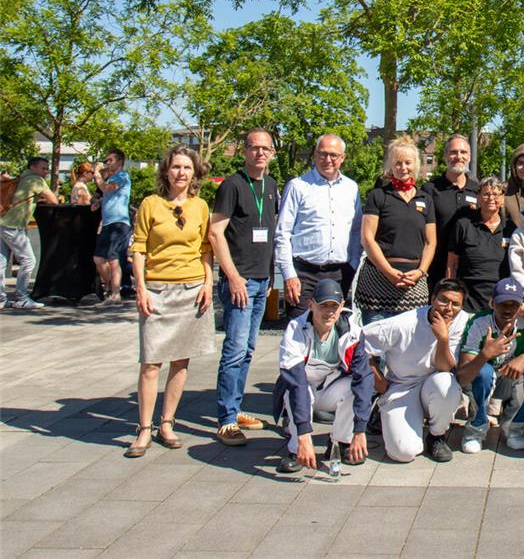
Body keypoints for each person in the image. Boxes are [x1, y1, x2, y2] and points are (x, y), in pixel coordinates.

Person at [125, 146, 213, 458]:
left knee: (181, 360)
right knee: (151, 362)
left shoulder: (200, 206)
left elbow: (205, 247)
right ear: (166, 170)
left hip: (191, 289)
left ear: (195, 173)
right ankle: (144, 428)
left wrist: (208, 282)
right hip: (157, 289)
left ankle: (167, 423)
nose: (181, 173)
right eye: (176, 167)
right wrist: (141, 287)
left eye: (187, 168)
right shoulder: (151, 204)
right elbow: (138, 248)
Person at [209, 128, 279, 446]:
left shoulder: (271, 185)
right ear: (245, 152)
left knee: (248, 350)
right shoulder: (233, 186)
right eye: (254, 148)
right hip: (240, 281)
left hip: (261, 280)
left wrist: (267, 278)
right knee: (234, 351)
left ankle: (235, 409)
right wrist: (233, 276)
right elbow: (215, 233)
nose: (260, 153)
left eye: (265, 148)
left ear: (272, 153)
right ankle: (225, 420)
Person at [360, 279, 470, 463]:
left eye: (455, 304)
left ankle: (437, 435)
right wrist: (378, 380)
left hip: (434, 381)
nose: (448, 308)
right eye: (443, 300)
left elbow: (445, 367)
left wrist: (442, 339)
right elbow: (357, 342)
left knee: (447, 383)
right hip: (402, 386)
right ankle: (383, 413)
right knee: (403, 453)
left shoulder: (460, 319)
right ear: (432, 298)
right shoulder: (403, 323)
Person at [274, 279, 371, 473]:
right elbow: (297, 383)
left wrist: (360, 430)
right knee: (294, 394)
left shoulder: (352, 332)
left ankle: (340, 443)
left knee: (353, 388)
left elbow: (364, 378)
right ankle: (296, 449)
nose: (329, 312)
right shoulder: (295, 329)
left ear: (342, 306)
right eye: (323, 305)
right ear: (311, 305)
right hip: (302, 389)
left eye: (334, 306)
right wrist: (304, 433)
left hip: (329, 389)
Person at [275, 134, 362, 319]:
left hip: (339, 274)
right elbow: (283, 233)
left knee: (335, 332)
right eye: (322, 154)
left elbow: (356, 230)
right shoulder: (297, 186)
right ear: (315, 155)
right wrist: (289, 274)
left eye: (333, 155)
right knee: (299, 331)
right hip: (303, 275)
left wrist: (352, 265)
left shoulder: (351, 188)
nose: (327, 160)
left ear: (342, 158)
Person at [456, 278, 524, 453]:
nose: (507, 309)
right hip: (484, 378)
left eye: (513, 304)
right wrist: (485, 355)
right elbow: (463, 375)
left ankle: (514, 428)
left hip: (511, 377)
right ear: (492, 303)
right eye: (502, 303)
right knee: (483, 371)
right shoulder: (479, 323)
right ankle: (476, 428)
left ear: (521, 307)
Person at [353, 136, 436, 325]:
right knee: (376, 350)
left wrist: (421, 271)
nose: (403, 167)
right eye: (398, 163)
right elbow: (367, 238)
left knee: (409, 348)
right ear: (391, 165)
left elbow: (431, 242)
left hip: (414, 283)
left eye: (408, 162)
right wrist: (388, 272)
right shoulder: (378, 196)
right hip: (378, 285)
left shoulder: (426, 198)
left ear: (416, 164)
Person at [422, 134, 480, 292]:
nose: (458, 156)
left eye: (463, 152)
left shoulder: (478, 191)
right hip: (435, 273)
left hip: (470, 274)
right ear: (446, 155)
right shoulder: (430, 190)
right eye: (454, 152)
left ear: (469, 156)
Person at [447, 176, 513, 312]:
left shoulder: (511, 228)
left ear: (502, 198)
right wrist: (451, 292)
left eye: (495, 194)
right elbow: (452, 264)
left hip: (502, 298)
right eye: (486, 194)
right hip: (469, 300)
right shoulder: (463, 225)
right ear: (478, 197)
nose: (491, 198)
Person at [1, 156, 59, 309]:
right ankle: (22, 297)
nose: (46, 171)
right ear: (33, 167)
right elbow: (54, 200)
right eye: (43, 168)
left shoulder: (21, 177)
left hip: (3, 222)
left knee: (1, 263)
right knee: (29, 260)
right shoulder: (35, 180)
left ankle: (1, 299)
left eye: (47, 168)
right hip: (14, 225)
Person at [93, 148, 131, 307]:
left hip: (119, 223)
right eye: (106, 160)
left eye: (110, 160)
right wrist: (99, 202)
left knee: (113, 259)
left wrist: (96, 175)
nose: (107, 163)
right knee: (98, 258)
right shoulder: (111, 178)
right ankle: (111, 289)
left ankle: (115, 294)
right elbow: (109, 195)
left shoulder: (122, 176)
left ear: (119, 162)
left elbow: (108, 189)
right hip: (108, 223)